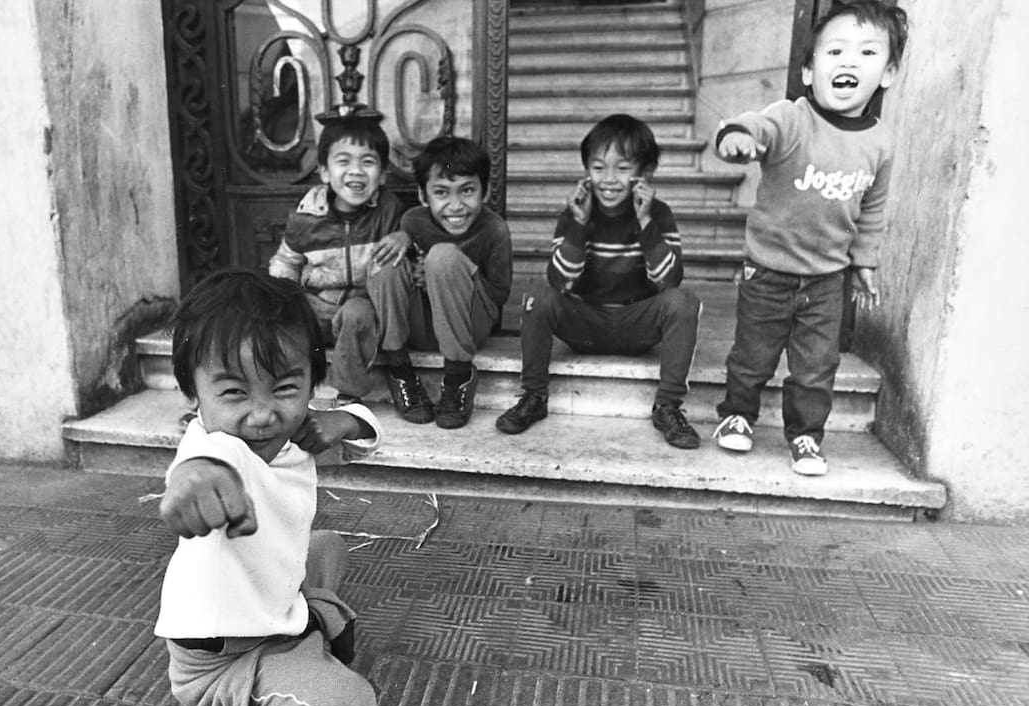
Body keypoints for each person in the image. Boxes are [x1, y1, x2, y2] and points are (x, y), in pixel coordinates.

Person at [154, 270, 383, 706]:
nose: (261, 415)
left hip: (265, 610)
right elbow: (195, 468)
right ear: (194, 395)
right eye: (234, 393)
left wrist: (343, 422)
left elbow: (369, 427)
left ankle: (301, 651)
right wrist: (196, 485)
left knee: (327, 546)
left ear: (310, 383)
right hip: (220, 660)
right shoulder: (216, 448)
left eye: (284, 388)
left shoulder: (296, 433)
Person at [710, 0, 908, 476]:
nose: (848, 62)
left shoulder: (879, 143)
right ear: (808, 69)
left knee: (817, 367)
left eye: (866, 53)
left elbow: (872, 209)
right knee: (753, 355)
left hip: (825, 279)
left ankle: (805, 437)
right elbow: (758, 125)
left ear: (888, 73)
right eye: (835, 51)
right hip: (768, 271)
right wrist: (738, 136)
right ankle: (737, 414)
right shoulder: (792, 117)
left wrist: (864, 262)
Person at [495, 113, 702, 449]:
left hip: (637, 326)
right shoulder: (577, 211)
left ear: (645, 173)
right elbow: (560, 282)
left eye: (622, 168)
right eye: (597, 167)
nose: (608, 179)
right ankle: (533, 396)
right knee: (538, 295)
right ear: (586, 172)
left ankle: (668, 406)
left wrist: (646, 222)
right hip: (585, 325)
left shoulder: (658, 213)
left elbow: (669, 282)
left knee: (684, 302)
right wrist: (578, 225)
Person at [368, 135, 513, 428]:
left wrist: (448, 274)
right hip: (424, 327)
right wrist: (403, 238)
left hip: (471, 327)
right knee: (386, 264)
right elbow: (401, 272)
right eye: (442, 193)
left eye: (467, 191)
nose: (456, 205)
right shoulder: (413, 222)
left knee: (443, 257)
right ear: (424, 196)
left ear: (484, 191)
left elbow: (498, 295)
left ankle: (458, 377)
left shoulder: (495, 230)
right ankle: (400, 371)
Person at [268, 106, 409, 403]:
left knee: (357, 314)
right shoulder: (306, 217)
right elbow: (286, 261)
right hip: (316, 304)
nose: (356, 171)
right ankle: (273, 390)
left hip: (361, 309)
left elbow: (408, 252)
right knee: (275, 325)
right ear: (323, 171)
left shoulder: (389, 211)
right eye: (343, 161)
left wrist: (404, 236)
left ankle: (349, 394)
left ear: (382, 175)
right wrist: (284, 295)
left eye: (368, 162)